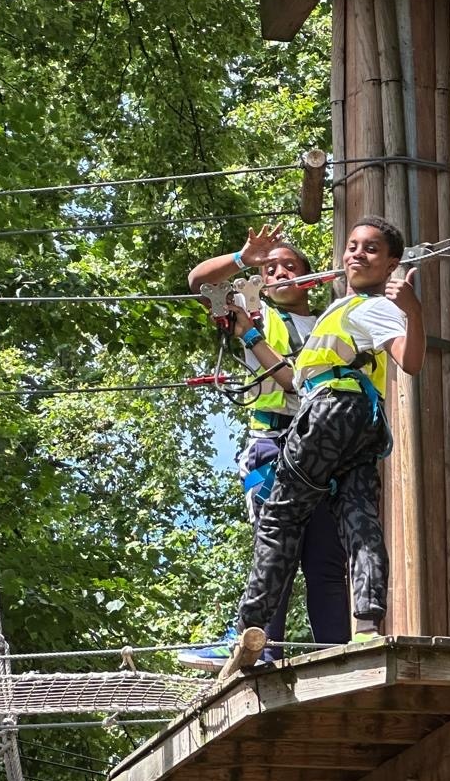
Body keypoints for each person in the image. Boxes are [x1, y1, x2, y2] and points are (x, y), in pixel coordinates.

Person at [228, 215, 424, 664]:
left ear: (391, 263)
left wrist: (413, 310)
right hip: (362, 424)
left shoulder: (373, 306)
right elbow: (292, 378)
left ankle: (248, 631)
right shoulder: (339, 310)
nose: (357, 254)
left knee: (280, 518)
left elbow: (410, 361)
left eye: (371, 249)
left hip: (330, 412)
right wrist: (251, 334)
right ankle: (368, 625)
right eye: (352, 246)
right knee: (359, 518)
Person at [180, 225, 351, 669]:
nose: (278, 274)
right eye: (271, 269)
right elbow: (199, 283)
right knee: (276, 552)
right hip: (273, 445)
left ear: (309, 279)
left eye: (289, 267)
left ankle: (336, 652)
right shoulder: (254, 313)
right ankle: (260, 646)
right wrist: (243, 259)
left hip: (325, 447)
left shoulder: (332, 320)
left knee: (326, 559)